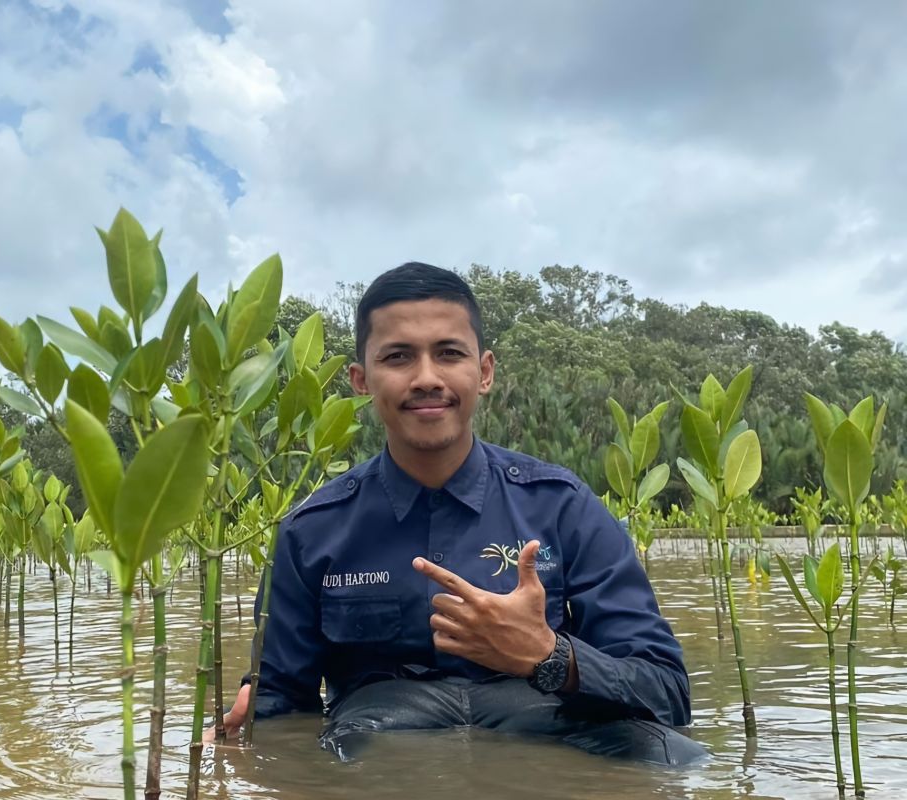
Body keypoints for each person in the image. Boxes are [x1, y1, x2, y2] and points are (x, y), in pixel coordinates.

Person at [214, 262, 707, 765]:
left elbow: (667, 692)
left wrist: (549, 655)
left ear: (484, 371)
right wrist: (252, 720)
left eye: (449, 353)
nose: (427, 378)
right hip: (380, 743)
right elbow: (280, 707)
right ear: (361, 380)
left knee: (677, 757)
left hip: (546, 734)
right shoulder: (311, 530)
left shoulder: (564, 506)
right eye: (399, 357)